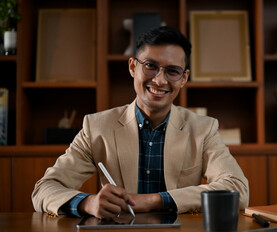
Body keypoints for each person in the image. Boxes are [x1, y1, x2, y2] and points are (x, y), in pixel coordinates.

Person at [32, 26, 249, 219]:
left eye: (172, 71)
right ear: (132, 67)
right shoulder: (97, 127)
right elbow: (44, 189)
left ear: (183, 78)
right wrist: (88, 203)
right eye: (150, 66)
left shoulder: (203, 129)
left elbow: (237, 189)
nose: (159, 80)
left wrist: (155, 200)